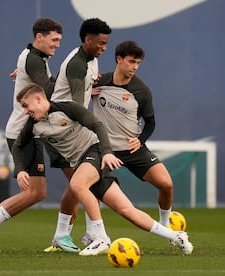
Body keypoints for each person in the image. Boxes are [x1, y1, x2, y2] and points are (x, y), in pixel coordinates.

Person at [12, 83, 193, 256]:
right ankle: (177, 237)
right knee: (126, 210)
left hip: (95, 151)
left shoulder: (67, 108)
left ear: (38, 99)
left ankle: (100, 237)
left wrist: (107, 152)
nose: (25, 111)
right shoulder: (33, 125)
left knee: (77, 184)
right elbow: (18, 146)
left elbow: (97, 125)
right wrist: (20, 170)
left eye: (26, 105)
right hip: (81, 163)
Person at [0, 18, 62, 252]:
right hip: (23, 132)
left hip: (28, 131)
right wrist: (77, 80)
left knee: (35, 192)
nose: (57, 45)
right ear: (39, 37)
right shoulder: (32, 59)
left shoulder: (34, 59)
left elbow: (39, 81)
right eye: (54, 39)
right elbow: (48, 91)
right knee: (36, 192)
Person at [44, 18, 113, 253]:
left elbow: (79, 89)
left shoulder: (90, 60)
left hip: (72, 129)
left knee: (77, 184)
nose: (104, 48)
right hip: (62, 131)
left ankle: (64, 235)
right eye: (101, 43)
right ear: (87, 39)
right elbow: (75, 107)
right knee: (80, 184)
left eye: (106, 44)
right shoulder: (77, 64)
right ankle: (90, 235)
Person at [92, 40, 174, 230]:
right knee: (82, 187)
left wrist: (140, 140)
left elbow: (151, 122)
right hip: (104, 150)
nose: (134, 67)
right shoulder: (99, 82)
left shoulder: (141, 90)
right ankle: (88, 234)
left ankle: (164, 224)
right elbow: (69, 85)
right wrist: (87, 91)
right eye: (131, 62)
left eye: (138, 63)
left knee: (166, 184)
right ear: (118, 59)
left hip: (132, 149)